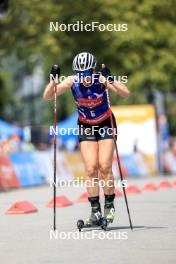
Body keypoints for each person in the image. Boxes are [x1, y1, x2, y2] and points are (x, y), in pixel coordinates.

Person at [43, 52, 130, 225]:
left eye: (87, 74)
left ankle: (110, 206)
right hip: (86, 125)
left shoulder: (100, 79)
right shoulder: (71, 81)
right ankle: (95, 211)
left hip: (105, 123)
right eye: (80, 74)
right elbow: (47, 96)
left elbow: (125, 93)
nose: (84, 78)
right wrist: (53, 80)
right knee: (91, 169)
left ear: (93, 71)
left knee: (105, 166)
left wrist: (110, 79)